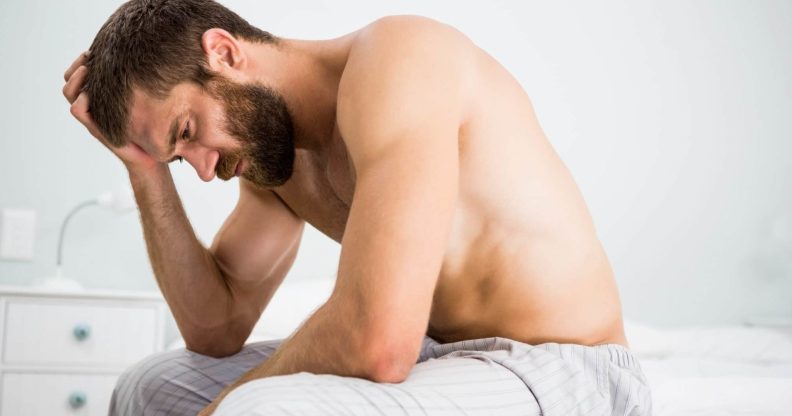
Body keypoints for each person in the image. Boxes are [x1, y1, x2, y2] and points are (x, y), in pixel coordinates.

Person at [61, 0, 652, 414]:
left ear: (224, 53)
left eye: (187, 131)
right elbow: (215, 329)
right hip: (436, 357)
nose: (202, 167)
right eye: (176, 157)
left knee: (266, 410)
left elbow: (379, 339)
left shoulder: (399, 60)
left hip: (565, 370)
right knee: (151, 386)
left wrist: (226, 403)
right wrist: (143, 170)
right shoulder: (274, 158)